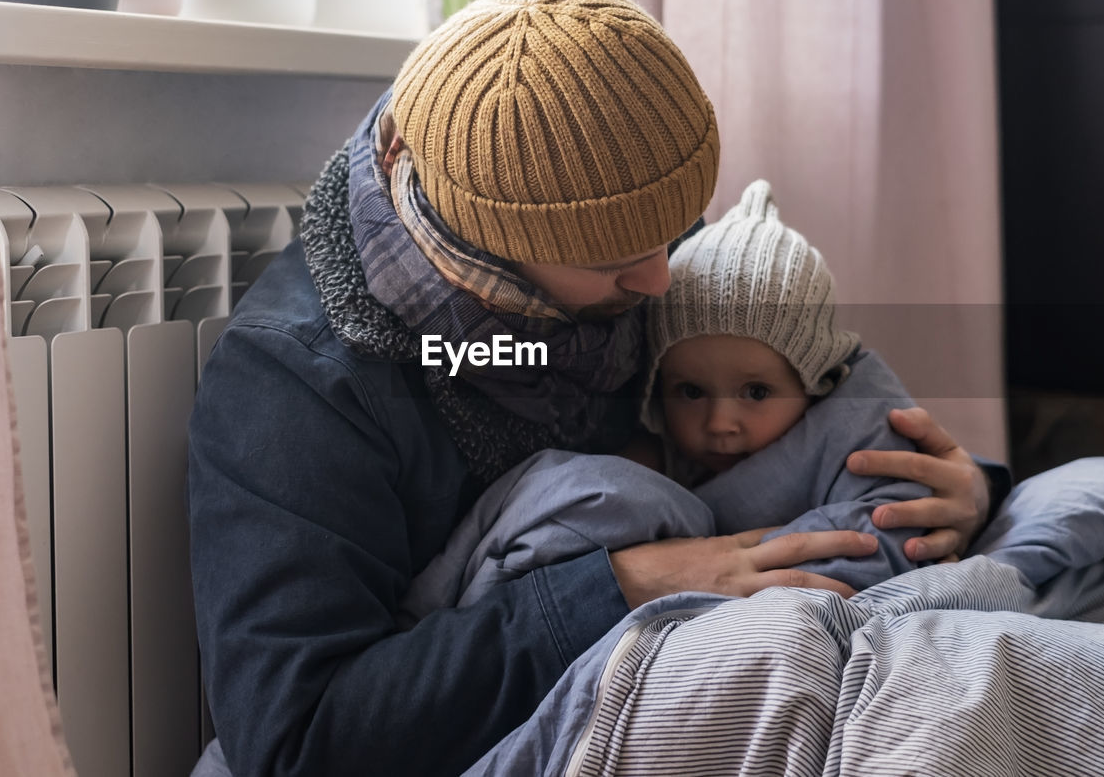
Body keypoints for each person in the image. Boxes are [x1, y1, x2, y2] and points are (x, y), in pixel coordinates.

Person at [187, 0, 1006, 777]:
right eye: (613, 262)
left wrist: (961, 488)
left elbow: (811, 387)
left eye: (677, 228)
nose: (661, 278)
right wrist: (622, 583)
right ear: (487, 249)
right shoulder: (302, 388)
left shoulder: (624, 229)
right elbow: (299, 737)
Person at [395, 178, 936, 625]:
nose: (721, 423)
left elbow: (895, 523)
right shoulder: (651, 456)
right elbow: (594, 504)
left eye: (756, 392)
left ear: (816, 379)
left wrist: (972, 490)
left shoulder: (850, 429)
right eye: (690, 391)